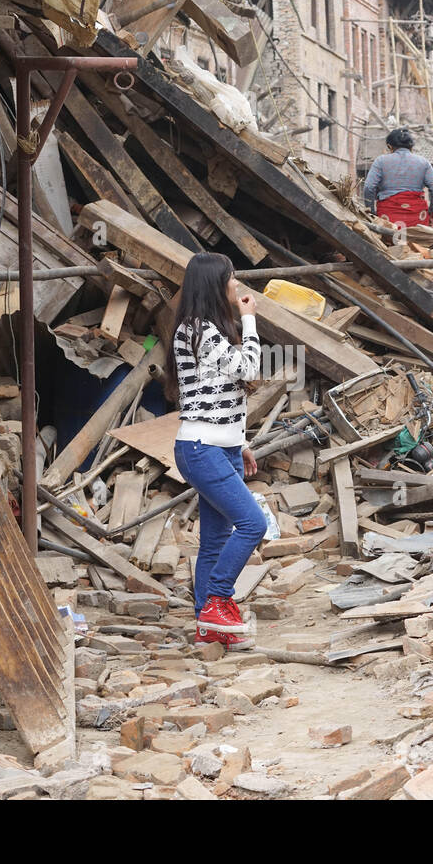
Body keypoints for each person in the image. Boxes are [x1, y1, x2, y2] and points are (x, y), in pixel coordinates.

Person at [164, 252, 267, 651]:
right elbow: (248, 369)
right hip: (200, 448)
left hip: (218, 448)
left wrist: (239, 443)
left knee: (214, 541)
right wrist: (250, 320)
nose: (236, 286)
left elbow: (215, 396)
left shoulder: (205, 329)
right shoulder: (197, 329)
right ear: (214, 284)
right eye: (231, 279)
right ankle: (218, 602)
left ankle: (208, 626)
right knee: (253, 524)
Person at [363, 127, 433, 229]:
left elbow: (369, 187)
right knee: (418, 244)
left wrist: (371, 213)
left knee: (387, 244)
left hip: (388, 219)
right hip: (418, 219)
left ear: (389, 146)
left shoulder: (381, 161)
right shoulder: (423, 163)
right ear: (411, 147)